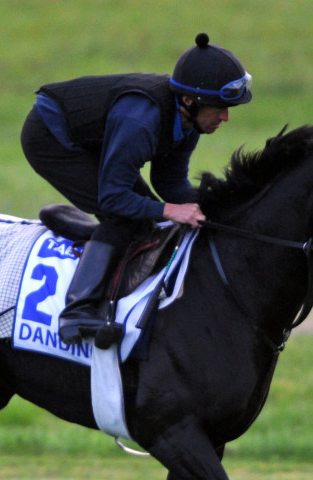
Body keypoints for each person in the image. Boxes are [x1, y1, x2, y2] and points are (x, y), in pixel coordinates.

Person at [21, 32, 252, 346]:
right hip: (50, 136)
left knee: (147, 219)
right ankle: (78, 311)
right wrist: (170, 210)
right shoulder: (141, 120)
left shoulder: (190, 121)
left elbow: (169, 183)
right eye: (219, 107)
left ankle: (90, 239)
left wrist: (217, 207)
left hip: (95, 136)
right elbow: (114, 196)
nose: (225, 116)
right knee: (124, 218)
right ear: (188, 100)